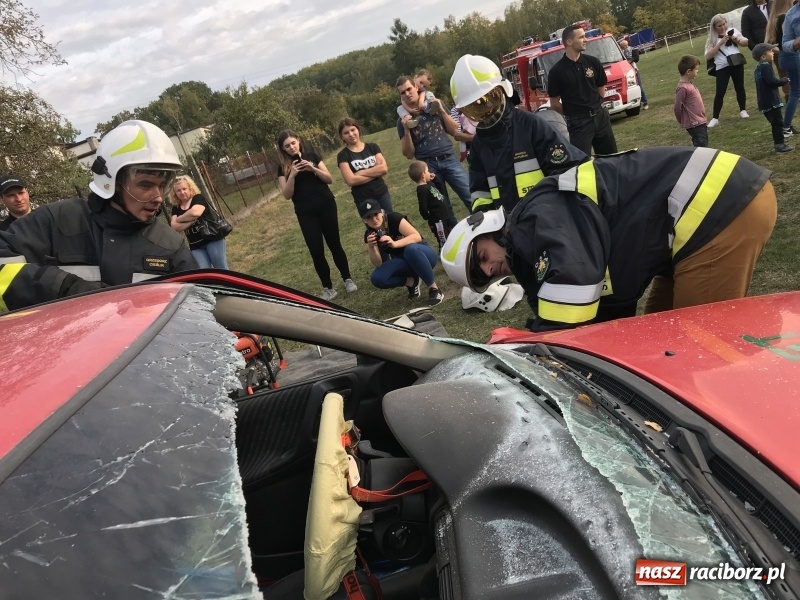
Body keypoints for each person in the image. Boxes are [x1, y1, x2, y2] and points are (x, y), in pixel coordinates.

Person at [440, 147, 776, 332]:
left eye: (481, 257)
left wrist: (539, 346)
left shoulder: (534, 219)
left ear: (487, 231)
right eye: (486, 276)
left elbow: (576, 285)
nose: (493, 269)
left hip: (721, 207)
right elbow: (607, 302)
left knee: (698, 349)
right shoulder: (534, 231)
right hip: (704, 214)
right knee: (657, 337)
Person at [0, 120, 198, 312]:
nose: (157, 197)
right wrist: (65, 288)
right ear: (112, 182)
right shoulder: (58, 220)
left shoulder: (170, 245)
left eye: (162, 185)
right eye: (145, 185)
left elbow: (198, 311)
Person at [449, 54, 587, 213]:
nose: (485, 111)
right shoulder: (479, 145)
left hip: (549, 222)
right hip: (508, 232)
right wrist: (486, 227)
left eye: (488, 100)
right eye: (475, 108)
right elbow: (480, 193)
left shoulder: (531, 126)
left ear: (502, 90)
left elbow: (570, 170)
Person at [276, 129, 357, 301]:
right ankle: (328, 288)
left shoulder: (312, 156)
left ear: (298, 141)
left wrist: (312, 168)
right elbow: (287, 194)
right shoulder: (282, 168)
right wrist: (293, 175)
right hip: (305, 213)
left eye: (293, 143)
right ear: (282, 149)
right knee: (316, 250)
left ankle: (347, 279)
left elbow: (329, 179)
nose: (291, 147)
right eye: (286, 146)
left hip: (326, 205)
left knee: (335, 243)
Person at [396, 76, 472, 212]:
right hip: (427, 167)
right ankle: (452, 232)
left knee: (471, 197)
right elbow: (408, 154)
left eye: (409, 89)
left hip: (448, 158)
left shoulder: (434, 104)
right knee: (443, 209)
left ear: (416, 87)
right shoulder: (403, 120)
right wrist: (407, 130)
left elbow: (454, 131)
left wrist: (442, 110)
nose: (407, 94)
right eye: (403, 92)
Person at [546, 24, 618, 156]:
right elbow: (555, 104)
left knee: (611, 158)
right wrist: (575, 115)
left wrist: (595, 108)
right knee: (581, 162)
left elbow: (601, 90)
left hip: (601, 118)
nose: (586, 40)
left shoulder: (593, 62)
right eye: (581, 37)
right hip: (579, 124)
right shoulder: (556, 72)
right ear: (569, 41)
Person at [359, 200, 444, 306]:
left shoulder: (394, 218)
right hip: (403, 261)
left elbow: (416, 236)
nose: (374, 219)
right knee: (377, 278)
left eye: (376, 214)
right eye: (369, 217)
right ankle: (412, 282)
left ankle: (434, 289)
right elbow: (378, 263)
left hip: (423, 254)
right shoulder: (370, 234)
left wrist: (394, 243)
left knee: (410, 249)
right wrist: (371, 247)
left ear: (381, 212)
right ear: (364, 220)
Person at [169, 175, 230, 268]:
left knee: (220, 268)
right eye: (178, 190)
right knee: (204, 272)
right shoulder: (175, 207)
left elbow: (195, 212)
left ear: (190, 188)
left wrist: (179, 219)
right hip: (195, 246)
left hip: (212, 238)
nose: (182, 192)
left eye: (184, 188)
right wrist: (191, 221)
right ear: (174, 193)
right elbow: (174, 226)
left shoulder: (197, 198)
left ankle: (227, 283)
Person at [336, 117, 392, 213]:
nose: (351, 134)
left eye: (353, 130)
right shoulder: (343, 156)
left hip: (382, 194)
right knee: (374, 227)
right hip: (363, 199)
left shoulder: (373, 147)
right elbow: (351, 180)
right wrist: (375, 173)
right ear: (342, 137)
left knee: (390, 222)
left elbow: (383, 169)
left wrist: (361, 172)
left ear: (358, 130)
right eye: (346, 133)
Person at [705, 14, 750, 128]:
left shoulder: (733, 31)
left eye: (724, 24)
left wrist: (737, 39)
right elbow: (708, 56)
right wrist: (720, 43)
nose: (723, 27)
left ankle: (743, 110)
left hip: (736, 62)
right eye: (719, 26)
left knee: (740, 87)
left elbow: (745, 42)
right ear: (714, 27)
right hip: (722, 66)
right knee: (720, 92)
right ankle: (715, 118)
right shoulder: (712, 38)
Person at [753, 43, 794, 152]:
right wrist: (784, 80)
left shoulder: (758, 67)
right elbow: (772, 82)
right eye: (770, 52)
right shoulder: (765, 66)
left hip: (764, 102)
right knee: (777, 123)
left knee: (776, 122)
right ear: (763, 56)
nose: (773, 53)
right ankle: (779, 145)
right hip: (771, 101)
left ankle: (781, 140)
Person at [408, 160, 456, 250]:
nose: (429, 173)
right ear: (423, 175)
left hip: (445, 216)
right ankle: (444, 253)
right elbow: (423, 208)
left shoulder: (429, 184)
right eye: (427, 171)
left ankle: (451, 250)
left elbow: (442, 192)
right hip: (438, 220)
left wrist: (436, 180)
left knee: (449, 235)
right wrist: (430, 219)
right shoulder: (422, 190)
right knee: (443, 240)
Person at [674, 55, 709, 147]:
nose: (697, 71)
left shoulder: (688, 84)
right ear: (688, 71)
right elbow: (677, 107)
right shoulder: (682, 88)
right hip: (694, 124)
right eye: (696, 69)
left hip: (700, 121)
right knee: (701, 147)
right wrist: (681, 120)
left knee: (704, 144)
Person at [766, 0, 794, 105]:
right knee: (787, 74)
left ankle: (789, 95)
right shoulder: (784, 18)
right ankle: (790, 95)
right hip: (786, 50)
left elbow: (768, 40)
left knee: (784, 74)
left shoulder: (772, 19)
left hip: (779, 52)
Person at [781, 0, 800, 135]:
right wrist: (797, 42)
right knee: (796, 92)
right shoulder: (791, 15)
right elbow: (785, 44)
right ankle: (786, 127)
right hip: (795, 58)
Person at [619, 38, 648, 109]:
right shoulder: (623, 52)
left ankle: (645, 102)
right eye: (624, 46)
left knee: (639, 87)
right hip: (628, 72)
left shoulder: (628, 50)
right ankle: (638, 102)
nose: (626, 47)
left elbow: (632, 60)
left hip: (633, 70)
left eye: (626, 45)